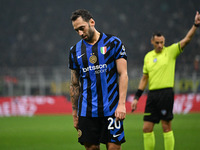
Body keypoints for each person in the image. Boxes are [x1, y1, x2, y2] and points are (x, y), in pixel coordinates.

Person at [131, 11, 200, 150]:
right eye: (157, 43)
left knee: (166, 127)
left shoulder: (171, 51)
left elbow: (186, 40)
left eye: (162, 42)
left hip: (166, 94)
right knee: (146, 128)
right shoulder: (148, 57)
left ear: (164, 41)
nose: (160, 45)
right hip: (152, 96)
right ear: (152, 42)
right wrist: (136, 98)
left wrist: (195, 25)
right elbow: (145, 78)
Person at [69, 9, 128, 150]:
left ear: (92, 22)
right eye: (76, 30)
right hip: (87, 112)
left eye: (82, 28)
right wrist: (74, 113)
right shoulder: (74, 51)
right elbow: (74, 84)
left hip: (112, 110)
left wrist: (122, 104)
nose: (80, 33)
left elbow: (123, 74)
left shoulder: (114, 43)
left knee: (114, 148)